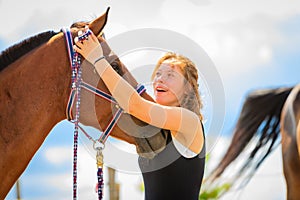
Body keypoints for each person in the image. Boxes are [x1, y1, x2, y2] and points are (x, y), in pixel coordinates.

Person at [74, 28, 205, 200]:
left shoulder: (189, 120)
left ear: (188, 88)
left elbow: (134, 104)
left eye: (170, 75)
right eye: (158, 73)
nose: (160, 79)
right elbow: (124, 102)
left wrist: (97, 59)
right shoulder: (154, 125)